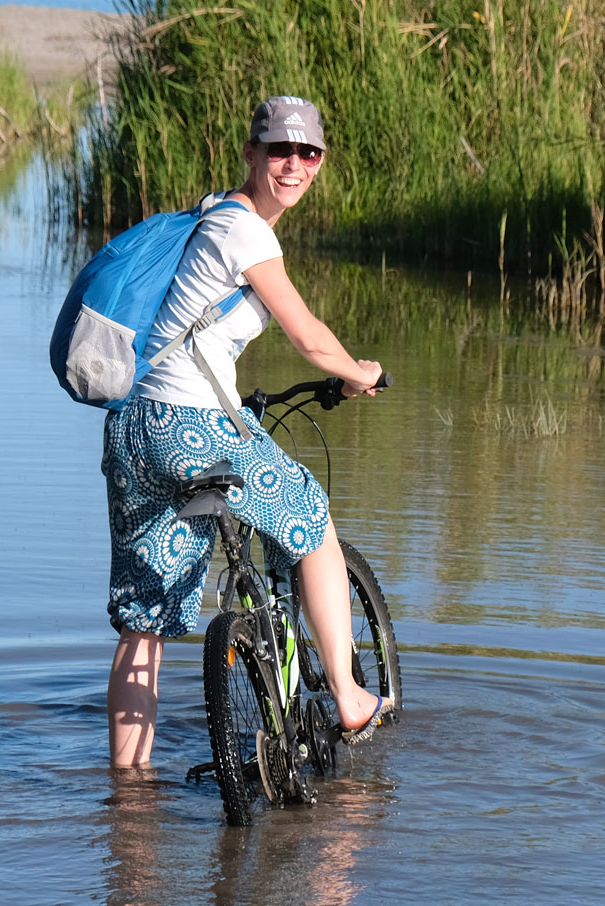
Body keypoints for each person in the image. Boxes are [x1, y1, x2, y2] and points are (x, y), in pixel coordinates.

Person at [101, 94, 390, 767]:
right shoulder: (246, 232)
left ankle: (129, 793)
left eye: (307, 151)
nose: (293, 164)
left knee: (144, 622)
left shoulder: (206, 219)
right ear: (250, 154)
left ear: (320, 160)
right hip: (193, 427)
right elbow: (309, 337)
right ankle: (349, 695)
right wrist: (358, 373)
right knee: (310, 518)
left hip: (132, 428)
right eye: (279, 150)